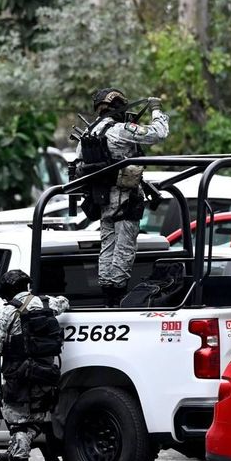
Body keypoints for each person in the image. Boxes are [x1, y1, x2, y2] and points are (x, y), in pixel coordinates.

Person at [76, 88, 169, 306]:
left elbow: (78, 167)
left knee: (107, 248)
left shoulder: (89, 132)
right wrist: (156, 110)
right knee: (124, 250)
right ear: (118, 107)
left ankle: (107, 296)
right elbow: (159, 133)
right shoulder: (119, 130)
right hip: (125, 200)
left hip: (102, 200)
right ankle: (117, 298)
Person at [0, 270, 70, 461]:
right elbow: (64, 302)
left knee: (19, 426)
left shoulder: (7, 312)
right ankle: (12, 457)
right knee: (37, 421)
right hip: (45, 374)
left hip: (19, 377)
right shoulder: (46, 303)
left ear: (8, 290)